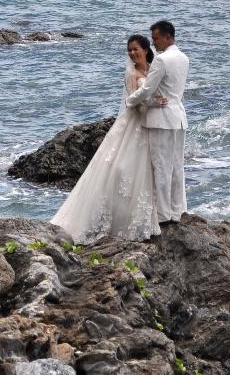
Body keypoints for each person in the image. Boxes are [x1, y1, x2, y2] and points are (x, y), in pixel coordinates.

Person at [51, 34, 168, 243]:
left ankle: (144, 218)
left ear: (146, 49)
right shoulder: (131, 73)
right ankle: (115, 222)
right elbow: (135, 103)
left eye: (136, 49)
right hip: (133, 125)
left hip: (150, 126)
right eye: (129, 50)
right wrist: (154, 103)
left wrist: (161, 101)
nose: (132, 53)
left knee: (143, 172)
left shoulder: (153, 69)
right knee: (121, 170)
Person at [125, 20, 189, 224]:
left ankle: (163, 214)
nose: (154, 43)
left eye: (156, 38)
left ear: (167, 37)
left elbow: (147, 90)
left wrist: (129, 100)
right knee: (177, 166)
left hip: (161, 119)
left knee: (161, 167)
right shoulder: (184, 58)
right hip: (178, 118)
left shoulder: (162, 60)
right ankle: (179, 210)